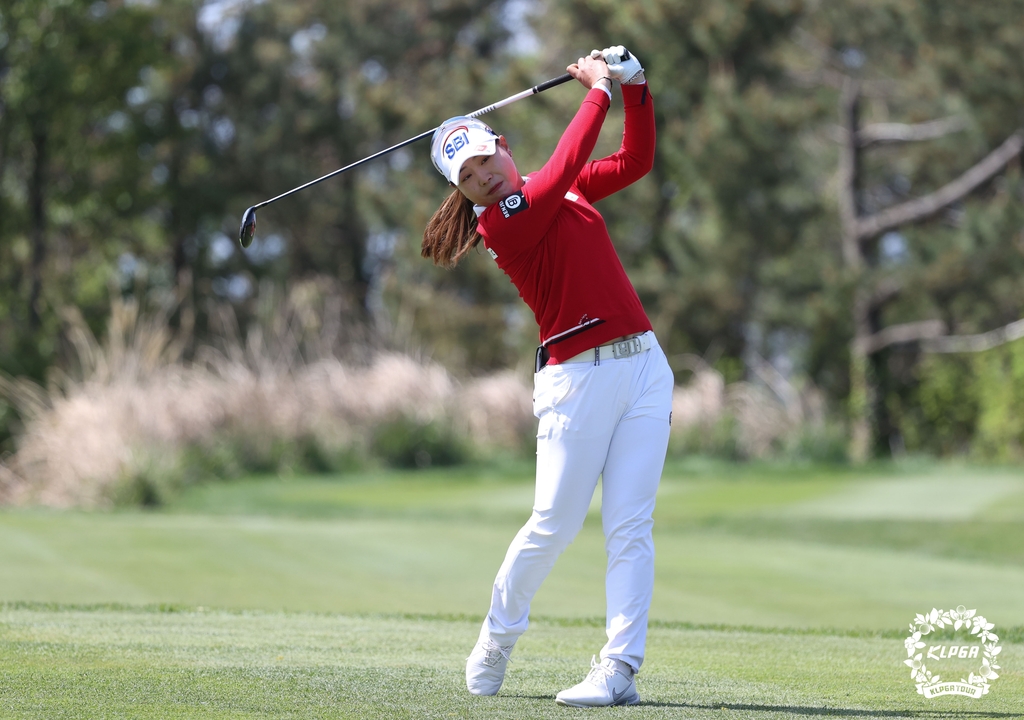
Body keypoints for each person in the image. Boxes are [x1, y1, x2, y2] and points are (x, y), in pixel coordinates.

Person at [421, 46, 673, 708]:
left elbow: (636, 161)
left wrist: (636, 87)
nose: (483, 177)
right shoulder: (502, 223)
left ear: (503, 147)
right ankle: (498, 636)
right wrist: (597, 90)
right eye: (467, 176)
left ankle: (619, 669)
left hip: (645, 368)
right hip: (577, 382)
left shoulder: (558, 189)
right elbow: (562, 166)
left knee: (630, 526)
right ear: (462, 192)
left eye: (485, 160)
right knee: (553, 524)